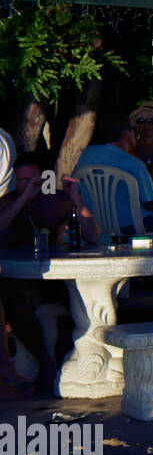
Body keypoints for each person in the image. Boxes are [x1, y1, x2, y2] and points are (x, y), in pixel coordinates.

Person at [0, 153, 101, 392]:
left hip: (56, 277)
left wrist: (77, 199)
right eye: (21, 180)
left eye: (31, 180)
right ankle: (45, 362)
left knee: (84, 295)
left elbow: (93, 236)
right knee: (14, 297)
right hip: (19, 279)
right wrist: (23, 198)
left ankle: (75, 364)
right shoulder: (10, 201)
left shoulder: (59, 200)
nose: (26, 185)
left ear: (45, 178)